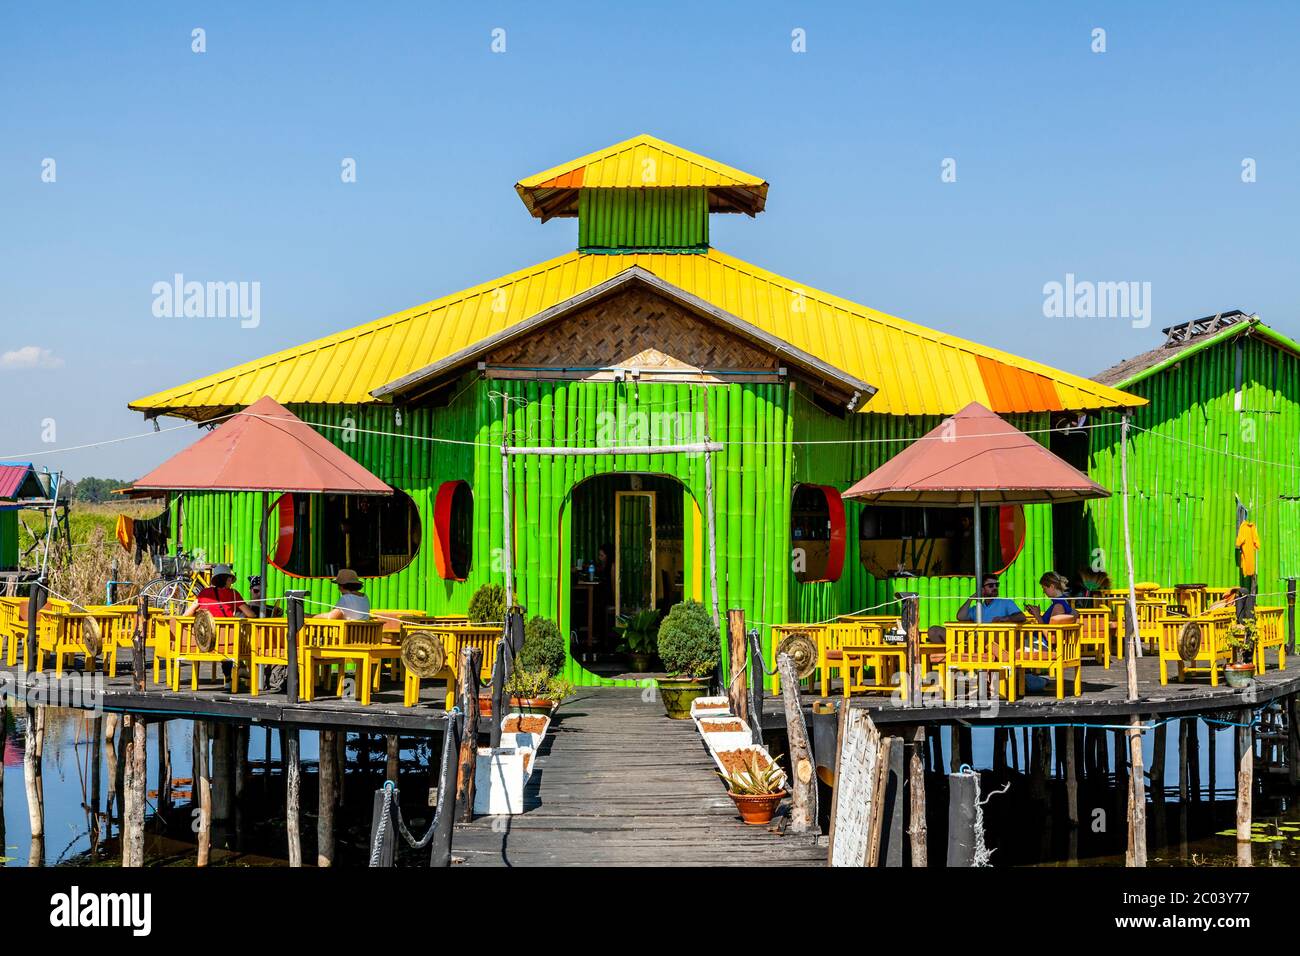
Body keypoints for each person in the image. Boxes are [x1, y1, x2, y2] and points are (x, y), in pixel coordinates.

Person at [183, 564, 255, 619]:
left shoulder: (204, 593)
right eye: (230, 579)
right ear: (228, 579)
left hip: (206, 633)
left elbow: (187, 614)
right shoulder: (233, 594)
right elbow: (250, 614)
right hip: (227, 632)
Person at [956, 574, 1026, 624]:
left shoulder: (1006, 602)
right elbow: (960, 617)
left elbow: (1021, 617)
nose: (995, 588)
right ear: (982, 589)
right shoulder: (977, 608)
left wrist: (1005, 618)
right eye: (991, 586)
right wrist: (971, 598)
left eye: (997, 585)